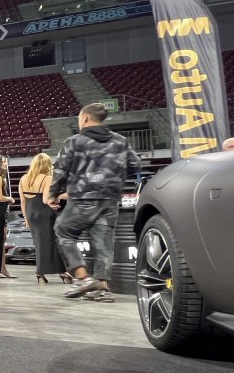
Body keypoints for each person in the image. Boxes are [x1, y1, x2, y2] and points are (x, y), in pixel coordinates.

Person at [48, 102, 142, 303]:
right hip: (110, 200)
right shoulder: (120, 141)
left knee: (63, 231)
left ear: (85, 119)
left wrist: (53, 194)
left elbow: (60, 170)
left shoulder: (75, 141)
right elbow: (136, 165)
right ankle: (102, 289)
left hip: (83, 198)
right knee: (103, 243)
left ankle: (83, 278)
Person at [19, 153, 69, 284]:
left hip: (31, 213)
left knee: (39, 243)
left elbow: (23, 201)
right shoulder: (47, 178)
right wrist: (60, 197)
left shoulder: (23, 178)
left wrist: (26, 218)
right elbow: (46, 199)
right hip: (45, 213)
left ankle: (40, 273)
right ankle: (62, 271)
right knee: (54, 243)